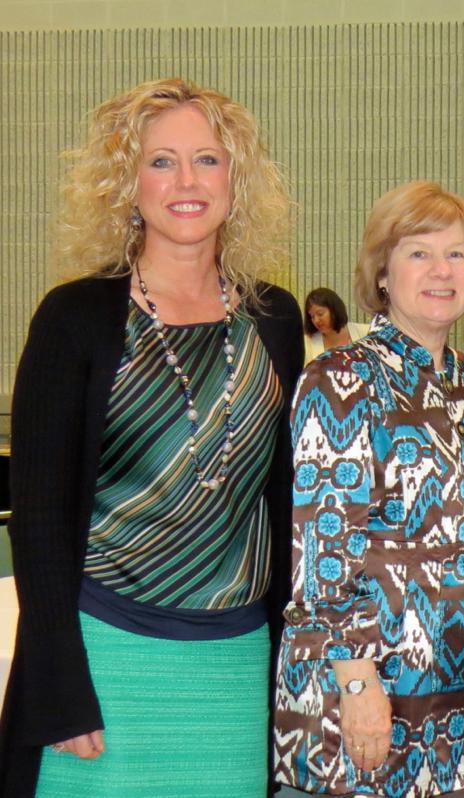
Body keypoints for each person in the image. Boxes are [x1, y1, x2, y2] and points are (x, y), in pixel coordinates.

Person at [0, 77, 302, 797]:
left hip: (235, 664)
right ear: (126, 183)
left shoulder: (274, 319)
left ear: (237, 179)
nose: (186, 181)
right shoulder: (74, 318)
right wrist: (58, 680)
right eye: (160, 161)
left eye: (207, 159)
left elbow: (288, 503)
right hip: (105, 660)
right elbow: (38, 518)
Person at [272, 180, 464, 798]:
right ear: (382, 274)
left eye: (457, 254)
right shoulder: (341, 382)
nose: (441, 271)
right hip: (371, 691)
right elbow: (322, 552)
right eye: (418, 253)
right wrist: (357, 685)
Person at [302, 286, 369, 362]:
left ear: (334, 310)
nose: (316, 320)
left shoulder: (366, 332)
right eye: (312, 316)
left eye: (320, 314)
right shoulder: (307, 343)